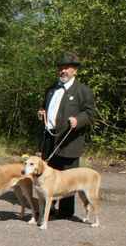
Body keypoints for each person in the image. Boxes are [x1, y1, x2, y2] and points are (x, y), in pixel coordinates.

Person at [36, 51, 95, 219]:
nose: (63, 71)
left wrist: (79, 120)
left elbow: (89, 113)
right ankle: (49, 207)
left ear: (75, 70)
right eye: (61, 68)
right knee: (48, 174)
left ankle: (66, 211)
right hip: (50, 139)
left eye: (66, 68)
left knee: (69, 176)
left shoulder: (84, 91)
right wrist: (41, 113)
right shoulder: (51, 89)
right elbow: (44, 107)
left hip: (70, 140)